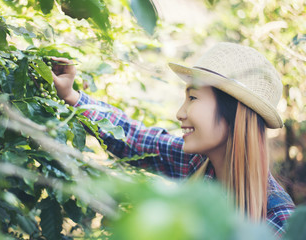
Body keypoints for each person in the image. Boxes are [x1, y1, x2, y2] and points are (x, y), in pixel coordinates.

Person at [51, 42, 295, 238]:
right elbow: (133, 138)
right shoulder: (196, 164)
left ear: (234, 115)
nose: (180, 112)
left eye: (193, 98)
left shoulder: (277, 218)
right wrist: (72, 95)